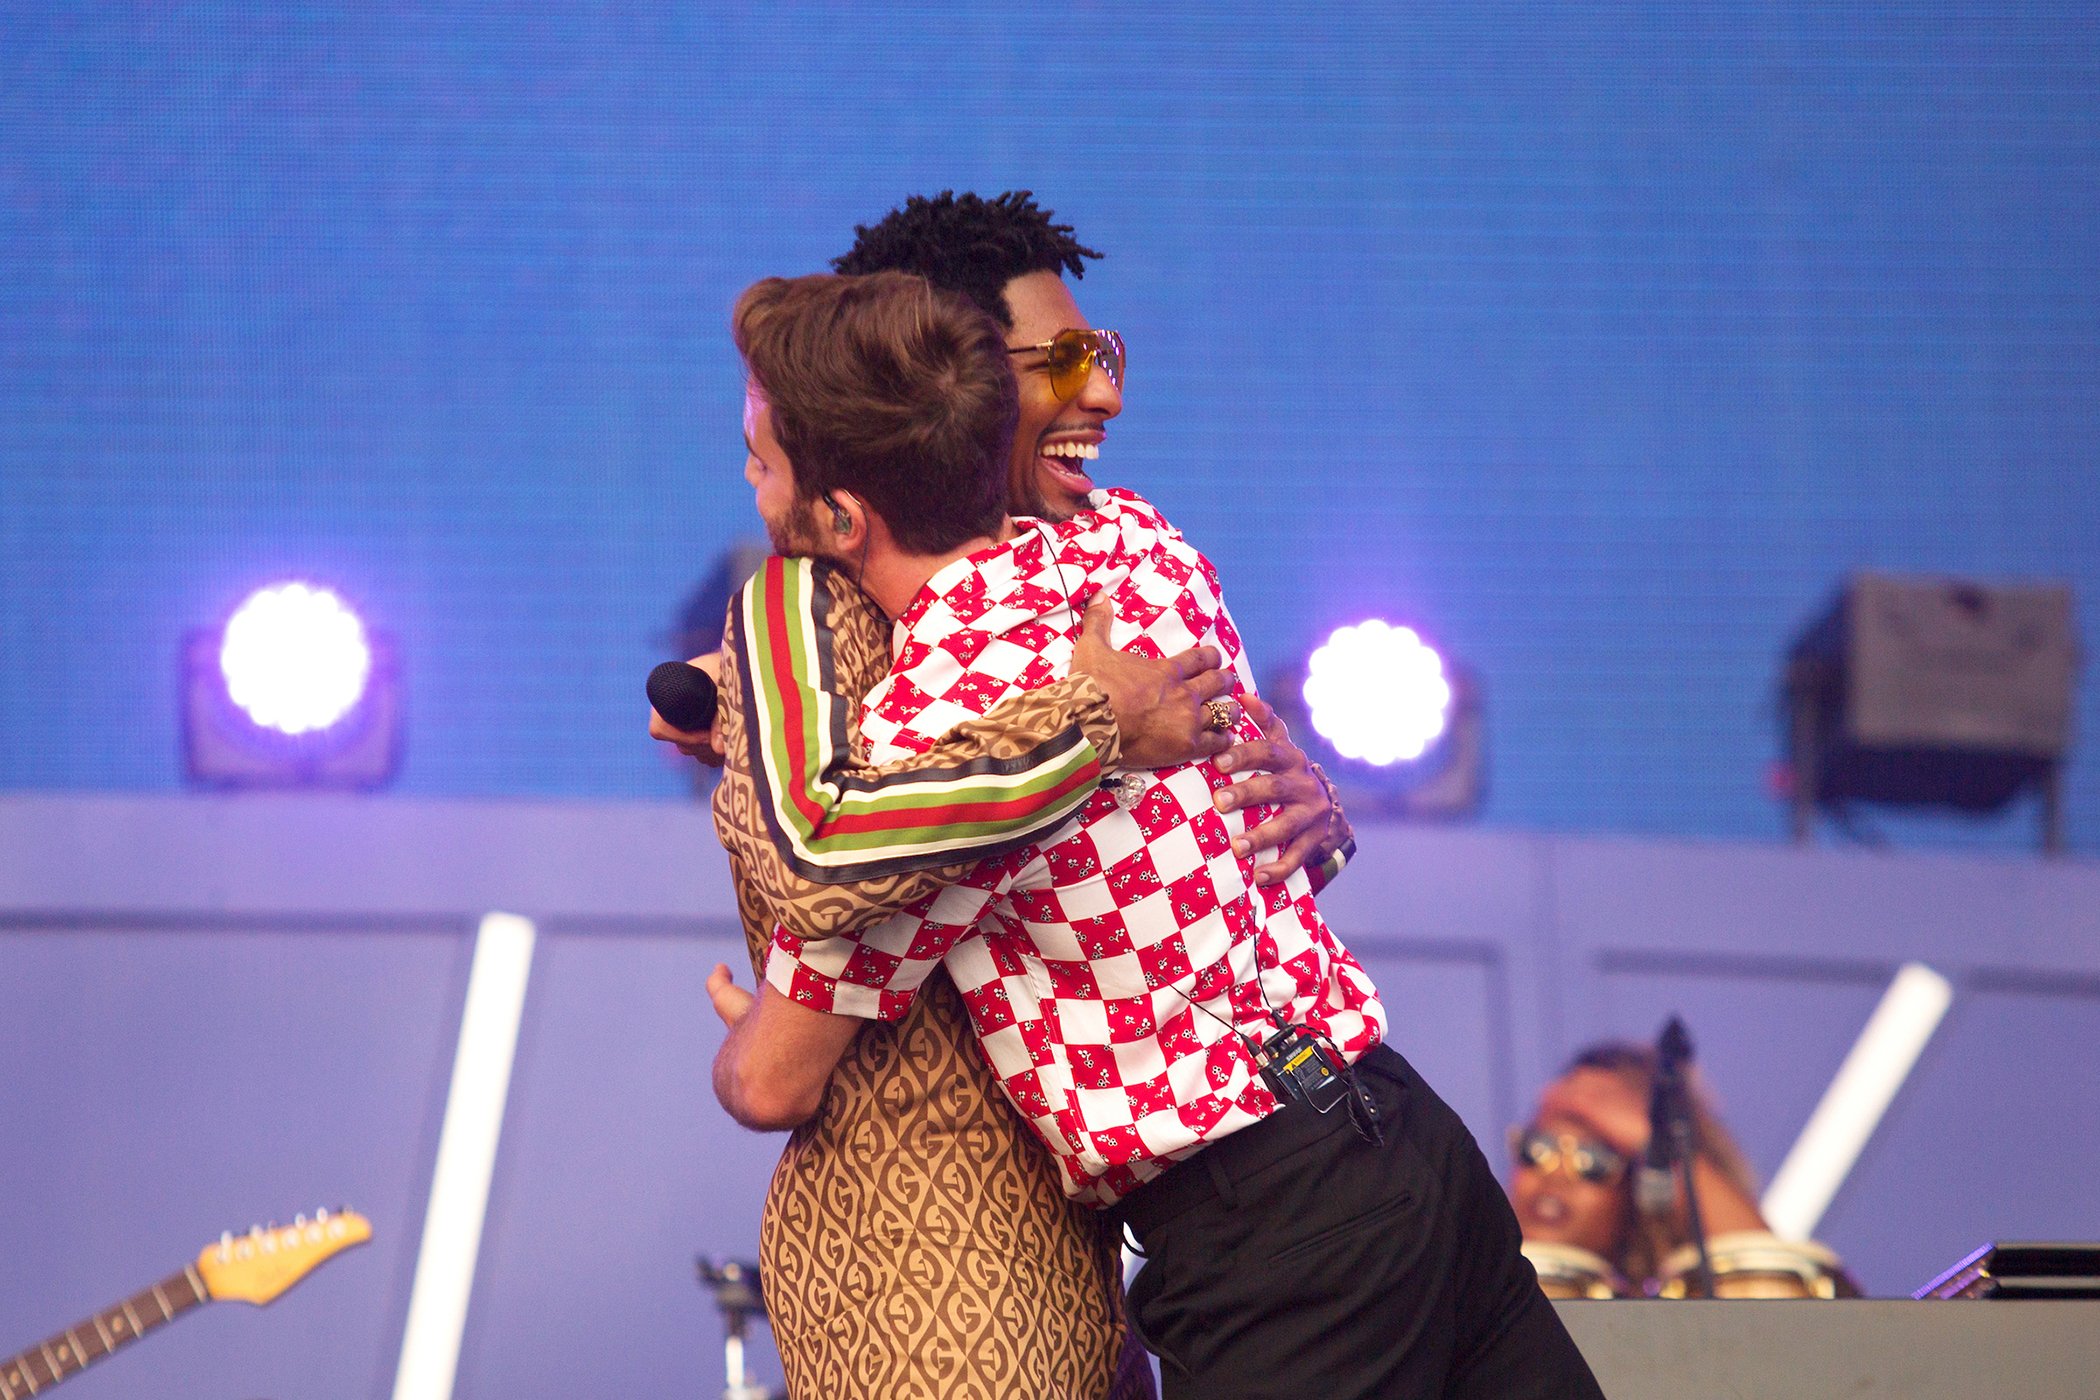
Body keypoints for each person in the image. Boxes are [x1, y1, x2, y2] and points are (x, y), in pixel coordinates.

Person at [709, 269, 1602, 1399]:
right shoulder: (1142, 546)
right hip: (1407, 1136)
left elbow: (784, 1066)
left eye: (760, 459)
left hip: (1272, 1233)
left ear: (840, 518)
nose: (746, 479)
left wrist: (744, 1046)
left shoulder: (936, 728)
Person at [655, 193, 1351, 1398]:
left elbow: (1207, 885)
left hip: (1088, 1256)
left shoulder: (1101, 570)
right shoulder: (827, 608)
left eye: (1105, 353)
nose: (1105, 396)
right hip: (939, 1257)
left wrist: (1309, 813)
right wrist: (1100, 725)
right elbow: (835, 875)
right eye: (1063, 362)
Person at [1510, 1042, 1859, 1299]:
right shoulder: (1464, 1287)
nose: (1556, 1173)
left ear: (1641, 1191)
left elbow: (1768, 1288)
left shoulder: (1669, 1320)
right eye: (1538, 1148)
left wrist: (1650, 1136)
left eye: (1592, 1158)